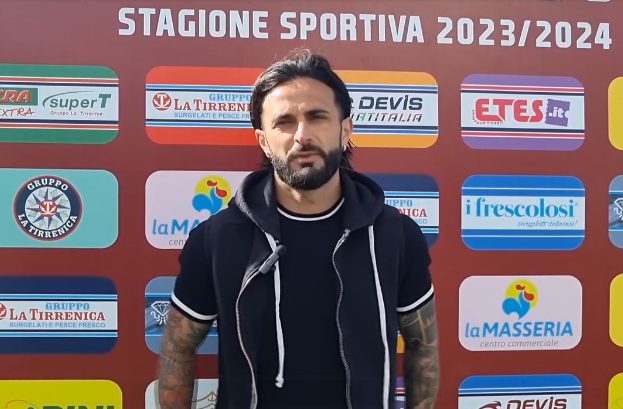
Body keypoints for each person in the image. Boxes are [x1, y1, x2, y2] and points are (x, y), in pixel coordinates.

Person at [157, 49, 439, 409]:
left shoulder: (395, 235)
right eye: (284, 122)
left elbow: (422, 344)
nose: (302, 135)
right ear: (263, 140)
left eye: (317, 117)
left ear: (345, 130)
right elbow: (178, 346)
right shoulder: (217, 239)